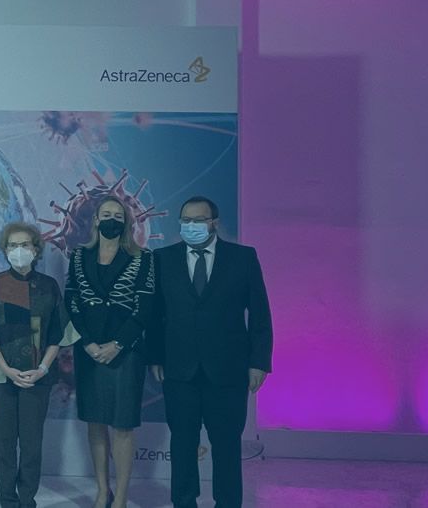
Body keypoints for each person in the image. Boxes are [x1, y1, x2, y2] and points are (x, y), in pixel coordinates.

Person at [146, 196, 273, 508]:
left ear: (214, 223)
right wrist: (155, 355)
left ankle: (227, 503)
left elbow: (260, 314)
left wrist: (259, 362)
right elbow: (154, 314)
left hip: (229, 370)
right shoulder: (162, 258)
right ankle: (184, 502)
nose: (191, 226)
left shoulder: (243, 258)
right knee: (182, 444)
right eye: (186, 220)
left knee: (227, 445)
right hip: (179, 370)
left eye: (199, 220)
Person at [64, 196, 156, 508]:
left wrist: (118, 344)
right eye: (106, 214)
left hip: (126, 353)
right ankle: (103, 491)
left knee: (123, 425)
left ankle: (122, 495)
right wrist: (88, 342)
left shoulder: (143, 258)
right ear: (96, 219)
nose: (112, 219)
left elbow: (145, 307)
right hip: (89, 351)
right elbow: (72, 301)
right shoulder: (79, 256)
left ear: (126, 222)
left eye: (118, 215)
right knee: (95, 422)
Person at [0, 223, 69, 508]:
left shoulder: (49, 286)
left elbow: (58, 334)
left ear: (36, 249)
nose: (19, 250)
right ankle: (8, 500)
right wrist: (7, 369)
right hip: (0, 376)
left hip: (38, 376)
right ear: (5, 250)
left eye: (25, 245)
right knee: (5, 444)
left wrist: (42, 369)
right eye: (13, 245)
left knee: (31, 444)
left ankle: (27, 500)